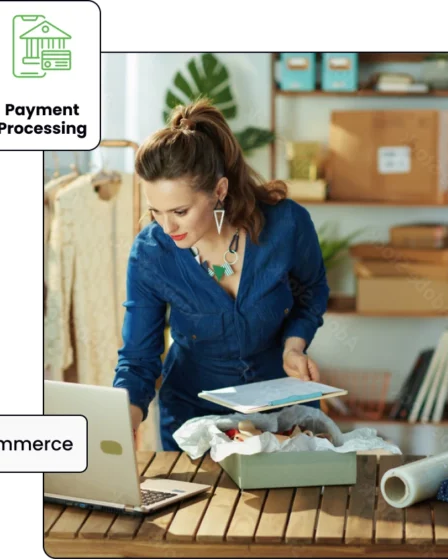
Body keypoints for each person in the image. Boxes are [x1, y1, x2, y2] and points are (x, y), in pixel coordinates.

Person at [113, 97, 330, 451]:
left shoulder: (286, 224)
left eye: (180, 211)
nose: (167, 226)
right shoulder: (151, 253)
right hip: (193, 421)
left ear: (219, 190)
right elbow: (138, 359)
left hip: (283, 413)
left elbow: (312, 291)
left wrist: (294, 345)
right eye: (156, 211)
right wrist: (123, 420)